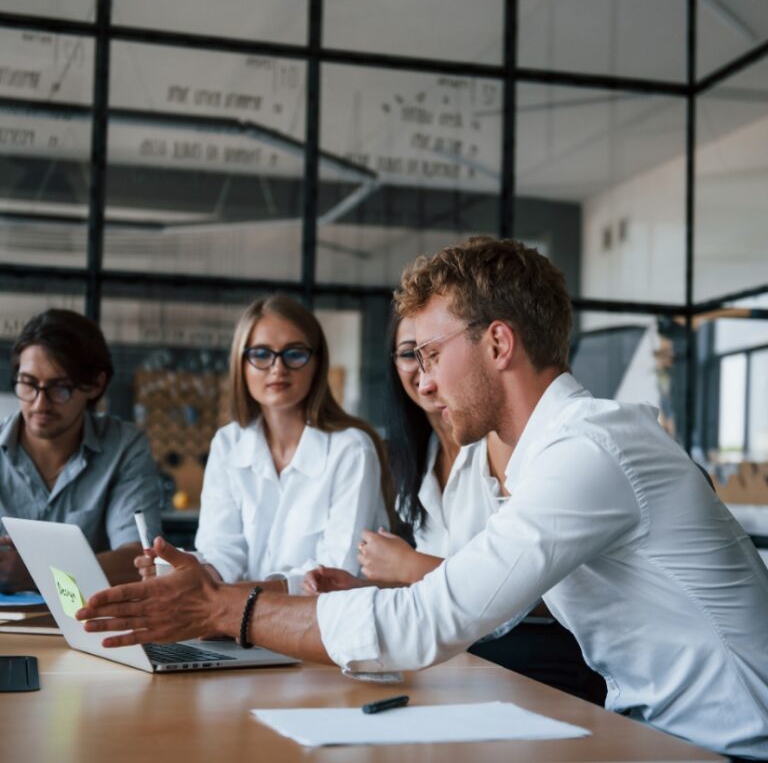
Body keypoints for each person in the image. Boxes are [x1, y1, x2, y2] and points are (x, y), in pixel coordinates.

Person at [79, 239, 768, 760]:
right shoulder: (539, 461)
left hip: (721, 745)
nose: (421, 381)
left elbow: (426, 620)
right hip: (648, 735)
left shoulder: (591, 450)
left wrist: (223, 607)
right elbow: (475, 603)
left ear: (498, 342)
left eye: (432, 355)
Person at [304, 313, 606, 703]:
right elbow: (444, 594)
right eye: (410, 354)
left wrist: (409, 566)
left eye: (433, 352)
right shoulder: (415, 459)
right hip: (464, 654)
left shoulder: (513, 445)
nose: (426, 373)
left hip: (532, 652)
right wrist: (366, 588)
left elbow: (533, 589)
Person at [139, 295, 392, 594]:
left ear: (317, 363)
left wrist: (227, 596)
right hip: (240, 624)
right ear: (241, 364)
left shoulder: (351, 449)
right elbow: (221, 549)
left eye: (294, 354)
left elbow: (337, 571)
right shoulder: (228, 443)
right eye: (261, 354)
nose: (277, 368)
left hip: (322, 627)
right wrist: (192, 572)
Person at [0, 309, 162, 591]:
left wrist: (38, 573)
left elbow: (140, 561)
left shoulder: (124, 446)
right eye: (28, 384)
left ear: (95, 385)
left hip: (90, 625)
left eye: (59, 388)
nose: (39, 404)